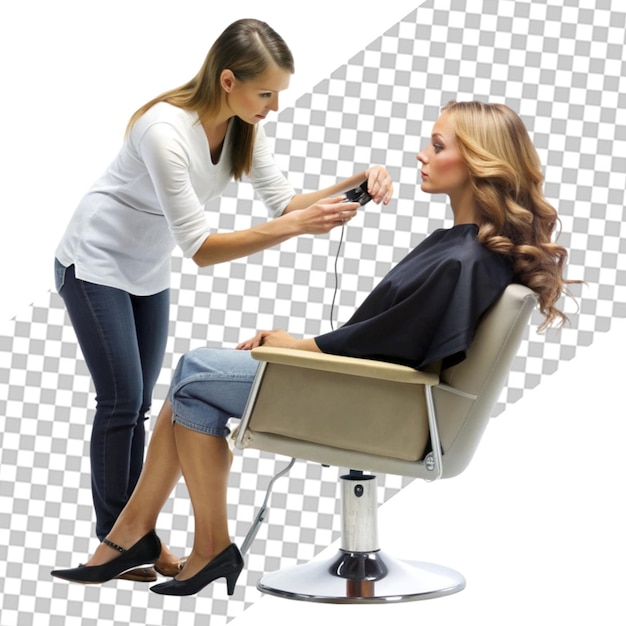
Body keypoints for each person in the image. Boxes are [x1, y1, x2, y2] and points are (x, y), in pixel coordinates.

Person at [51, 101, 575, 595]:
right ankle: (179, 544)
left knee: (191, 374)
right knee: (192, 389)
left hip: (374, 403)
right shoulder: (465, 247)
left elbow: (394, 349)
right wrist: (296, 345)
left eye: (437, 146)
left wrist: (297, 348)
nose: (422, 154)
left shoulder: (465, 259)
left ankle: (146, 537)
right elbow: (390, 337)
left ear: (479, 163)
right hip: (370, 394)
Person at [53, 19, 393, 580]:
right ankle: (120, 542)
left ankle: (130, 538)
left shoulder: (241, 124)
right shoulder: (164, 131)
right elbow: (203, 249)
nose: (275, 106)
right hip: (93, 262)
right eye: (267, 93)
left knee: (138, 403)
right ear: (228, 80)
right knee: (123, 400)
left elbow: (286, 203)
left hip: (145, 268)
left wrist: (361, 178)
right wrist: (297, 227)